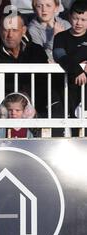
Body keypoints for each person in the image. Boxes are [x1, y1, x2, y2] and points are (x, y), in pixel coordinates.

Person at [53, 0, 87, 135]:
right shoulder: (61, 37)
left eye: (83, 19)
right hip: (66, 89)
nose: (79, 23)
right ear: (69, 18)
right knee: (71, 122)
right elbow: (59, 55)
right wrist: (77, 70)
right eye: (75, 18)